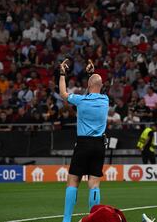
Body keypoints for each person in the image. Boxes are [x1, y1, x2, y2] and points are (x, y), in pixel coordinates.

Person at [59, 59, 109, 222]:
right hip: (99, 145)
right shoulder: (105, 100)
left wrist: (62, 74)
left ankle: (66, 220)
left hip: (83, 144)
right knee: (94, 184)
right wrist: (91, 73)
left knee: (73, 180)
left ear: (88, 86)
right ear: (101, 86)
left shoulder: (81, 100)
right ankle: (94, 219)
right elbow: (96, 85)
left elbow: (63, 94)